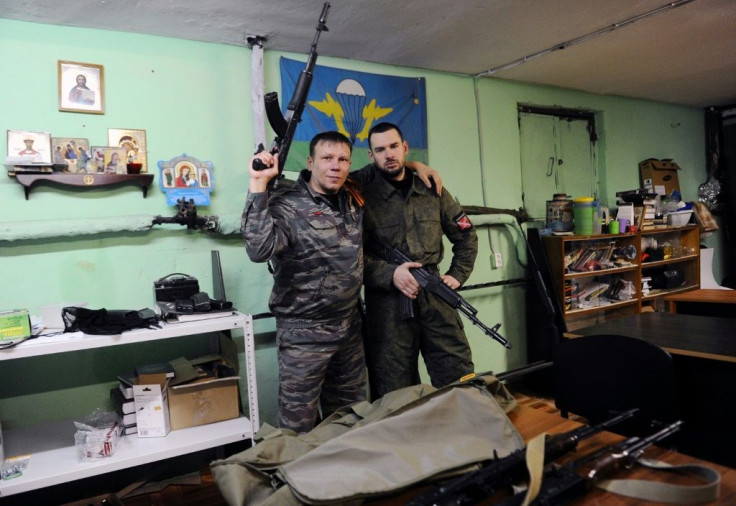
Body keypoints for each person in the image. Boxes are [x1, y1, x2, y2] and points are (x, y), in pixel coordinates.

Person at [242, 131, 366, 434]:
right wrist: (258, 184)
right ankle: (297, 480)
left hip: (349, 329)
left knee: (351, 418)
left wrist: (418, 167)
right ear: (310, 162)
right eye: (327, 158)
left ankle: (346, 479)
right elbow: (259, 251)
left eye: (342, 159)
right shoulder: (287, 204)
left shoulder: (353, 197)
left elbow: (387, 168)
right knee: (299, 428)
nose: (335, 166)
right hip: (304, 335)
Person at [361, 122, 478, 400]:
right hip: (388, 305)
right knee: (394, 388)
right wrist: (389, 273)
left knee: (458, 374)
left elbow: (466, 235)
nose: (388, 154)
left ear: (404, 148)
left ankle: (464, 437)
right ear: (371, 155)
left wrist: (457, 275)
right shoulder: (359, 192)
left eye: (393, 147)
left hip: (435, 294)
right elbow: (349, 257)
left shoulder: (431, 188)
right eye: (380, 149)